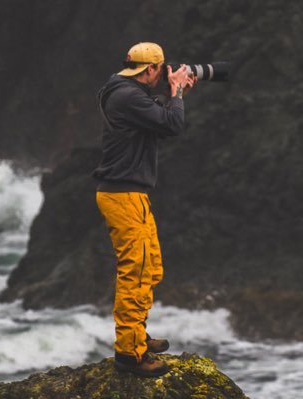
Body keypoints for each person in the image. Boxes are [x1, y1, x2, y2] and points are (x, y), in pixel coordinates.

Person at [93, 42, 196, 377]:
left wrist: (172, 94)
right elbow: (172, 125)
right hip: (123, 195)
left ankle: (137, 334)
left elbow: (157, 118)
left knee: (149, 268)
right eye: (161, 68)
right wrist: (177, 92)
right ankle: (129, 355)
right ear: (150, 69)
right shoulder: (126, 96)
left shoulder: (122, 90)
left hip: (130, 194)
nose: (163, 73)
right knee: (134, 273)